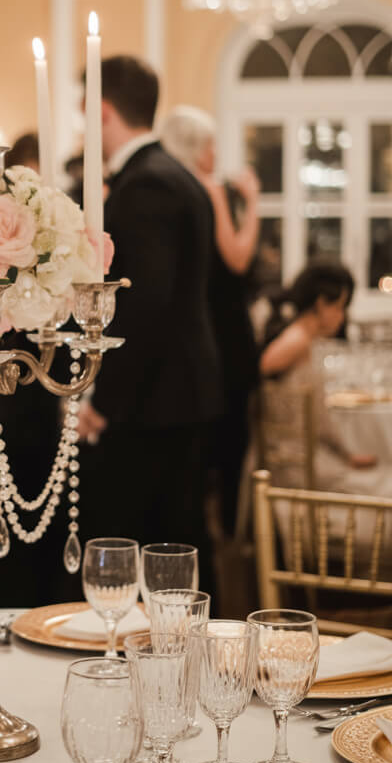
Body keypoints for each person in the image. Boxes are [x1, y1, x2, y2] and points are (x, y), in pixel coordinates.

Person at [77, 57, 222, 586]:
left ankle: (163, 658)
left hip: (157, 398)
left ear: (103, 111)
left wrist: (103, 402)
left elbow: (146, 306)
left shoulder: (146, 187)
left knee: (156, 556)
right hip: (179, 391)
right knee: (180, 544)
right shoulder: (175, 174)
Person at [160, 105, 261, 538]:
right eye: (212, 145)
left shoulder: (173, 191)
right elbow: (237, 258)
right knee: (227, 447)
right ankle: (228, 544)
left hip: (206, 333)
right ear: (198, 150)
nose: (217, 153)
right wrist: (254, 202)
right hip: (222, 337)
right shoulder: (206, 190)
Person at [259, 263, 380, 492]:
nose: (342, 317)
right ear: (320, 303)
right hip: (294, 460)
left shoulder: (304, 339)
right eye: (340, 307)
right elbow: (261, 374)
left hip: (304, 451)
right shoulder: (296, 341)